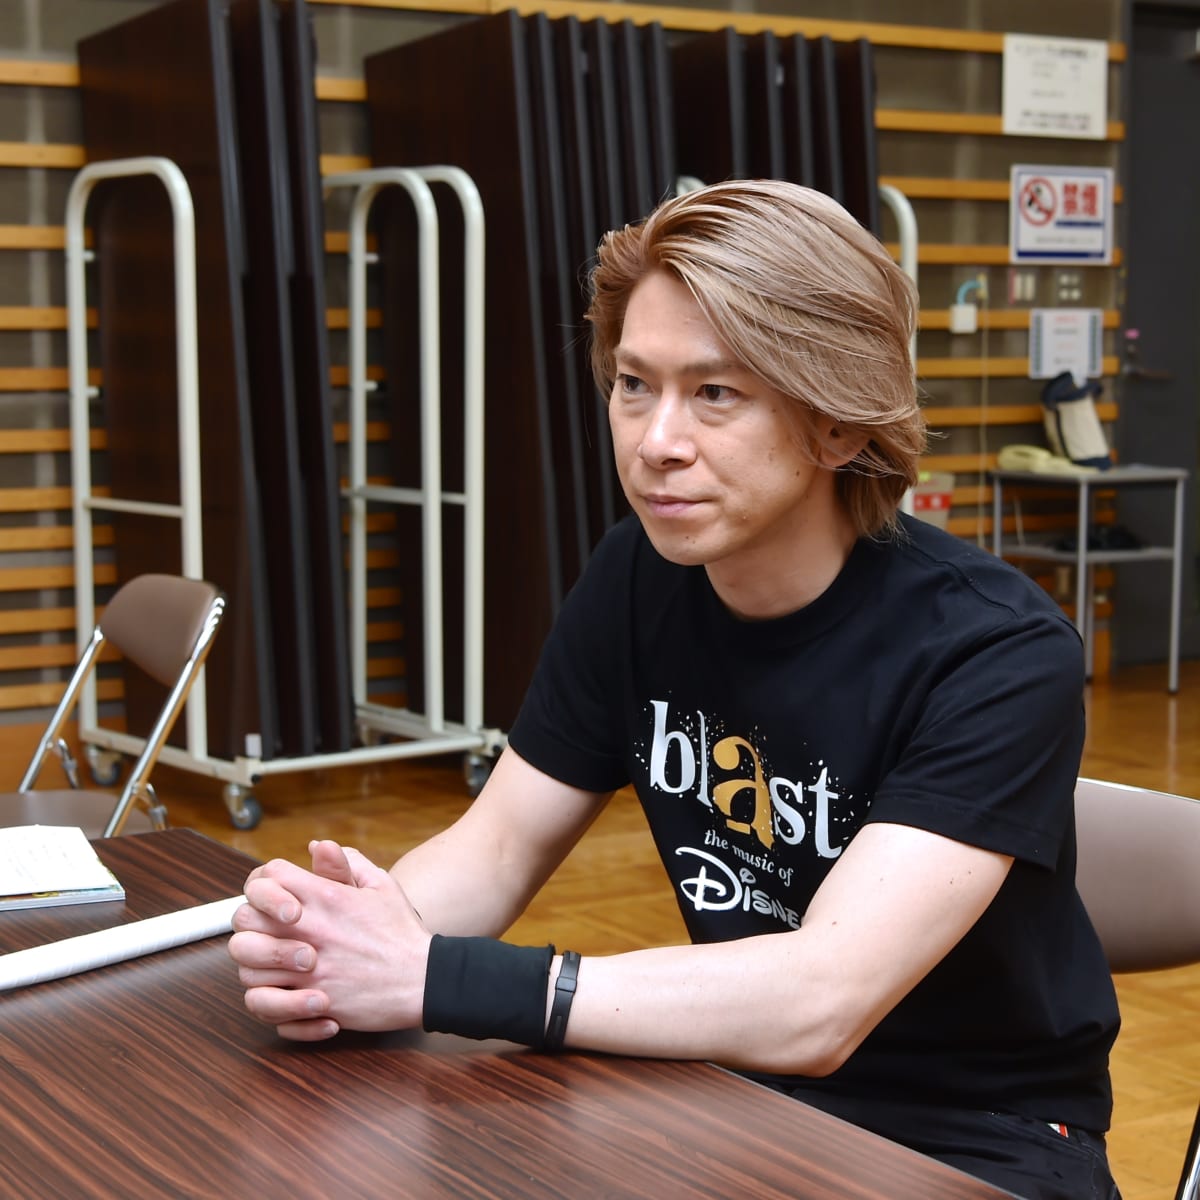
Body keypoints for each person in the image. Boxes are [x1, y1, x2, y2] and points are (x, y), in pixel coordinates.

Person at [229, 179, 1121, 1200]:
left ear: (837, 425)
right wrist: (342, 939)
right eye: (633, 384)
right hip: (737, 1090)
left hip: (973, 1137)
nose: (656, 441)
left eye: (716, 393)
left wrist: (437, 976)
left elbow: (822, 1000)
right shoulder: (639, 577)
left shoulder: (999, 650)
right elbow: (500, 845)